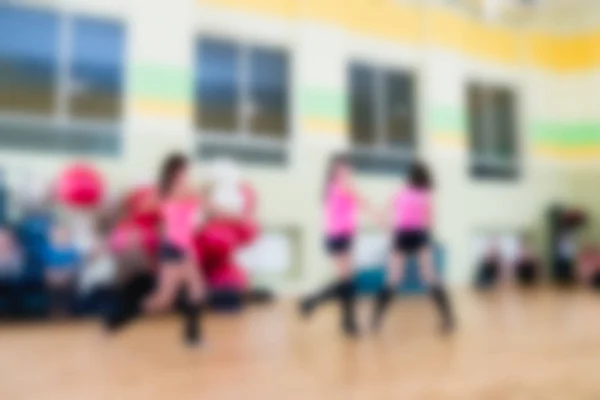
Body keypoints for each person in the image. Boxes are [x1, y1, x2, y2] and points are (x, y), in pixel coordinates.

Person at [299, 155, 378, 337]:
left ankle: (346, 323)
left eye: (348, 169)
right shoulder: (342, 185)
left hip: (341, 237)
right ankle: (313, 302)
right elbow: (362, 201)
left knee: (347, 282)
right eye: (343, 169)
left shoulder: (331, 187)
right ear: (335, 170)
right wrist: (380, 218)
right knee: (347, 283)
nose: (347, 172)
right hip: (338, 238)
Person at [372, 161, 455, 334]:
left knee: (393, 279)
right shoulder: (426, 195)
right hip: (419, 235)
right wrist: (426, 237)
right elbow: (432, 221)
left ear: (410, 177)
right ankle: (448, 319)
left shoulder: (400, 192)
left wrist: (390, 230)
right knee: (430, 276)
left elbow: (382, 215)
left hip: (401, 235)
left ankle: (376, 321)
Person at [142, 153, 206, 346]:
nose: (188, 172)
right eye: (185, 169)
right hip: (175, 245)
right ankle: (122, 314)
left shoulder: (165, 191)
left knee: (196, 290)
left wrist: (166, 216)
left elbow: (150, 206)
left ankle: (192, 338)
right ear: (176, 171)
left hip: (181, 245)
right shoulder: (180, 189)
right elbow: (201, 199)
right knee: (164, 299)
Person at [44, 224, 81, 316]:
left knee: (67, 286)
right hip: (52, 278)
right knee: (53, 286)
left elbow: (74, 266)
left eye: (63, 234)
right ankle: (54, 310)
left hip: (68, 278)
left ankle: (67, 311)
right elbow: (46, 266)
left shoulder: (72, 250)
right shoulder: (48, 250)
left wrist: (65, 274)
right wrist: (54, 274)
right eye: (58, 234)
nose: (61, 237)